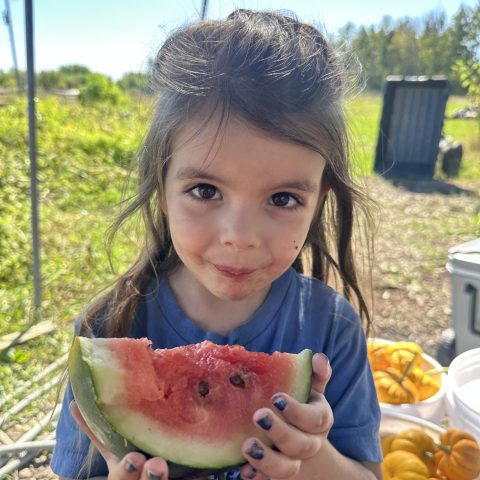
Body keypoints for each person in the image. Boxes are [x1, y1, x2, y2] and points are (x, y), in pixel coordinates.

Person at [51, 8, 382, 480]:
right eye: (205, 191)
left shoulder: (333, 330)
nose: (240, 237)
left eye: (283, 198)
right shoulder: (104, 331)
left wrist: (310, 455)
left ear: (318, 201)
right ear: (161, 188)